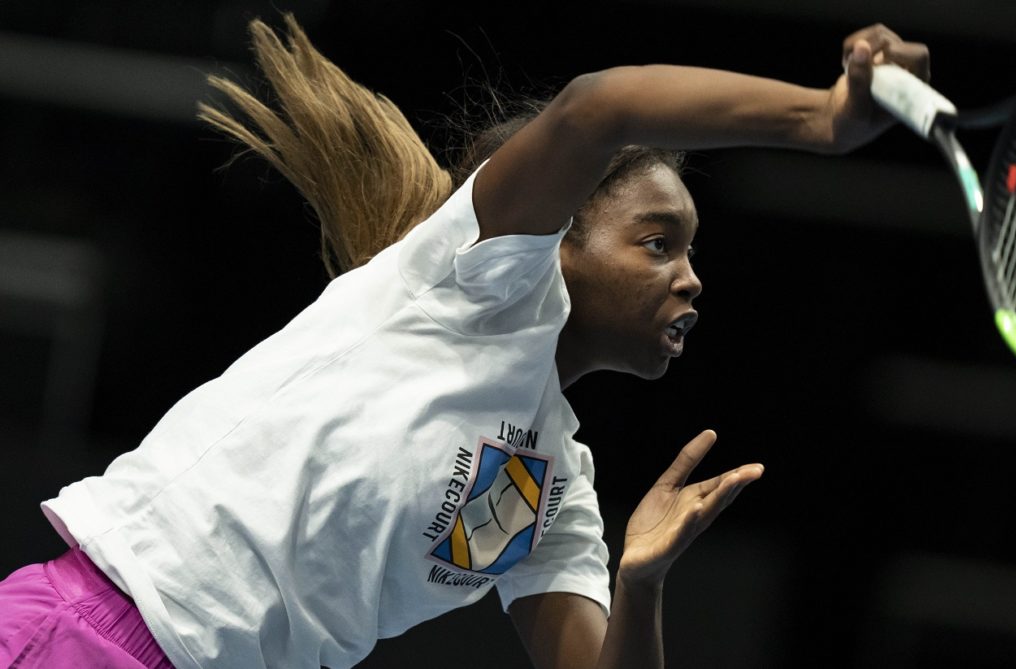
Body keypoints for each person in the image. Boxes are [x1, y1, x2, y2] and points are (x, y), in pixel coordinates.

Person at [0, 14, 930, 669]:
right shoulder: (474, 285)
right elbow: (599, 106)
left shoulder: (549, 482)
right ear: (557, 238)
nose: (690, 279)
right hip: (97, 634)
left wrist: (639, 582)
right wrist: (820, 117)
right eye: (658, 242)